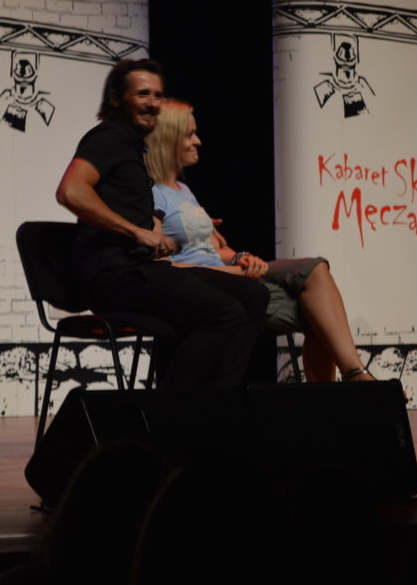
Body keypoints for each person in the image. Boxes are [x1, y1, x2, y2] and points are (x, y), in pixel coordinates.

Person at [56, 59, 269, 389]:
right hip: (116, 278)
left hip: (144, 271)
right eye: (142, 94)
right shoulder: (109, 137)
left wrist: (160, 231)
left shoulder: (133, 147)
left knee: (254, 295)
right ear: (116, 99)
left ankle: (222, 402)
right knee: (224, 312)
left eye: (158, 95)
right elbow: (70, 191)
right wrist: (136, 232)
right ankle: (167, 410)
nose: (153, 103)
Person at [144, 100, 373, 382]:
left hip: (229, 274)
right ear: (168, 140)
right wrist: (231, 272)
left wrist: (239, 257)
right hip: (207, 287)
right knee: (318, 316)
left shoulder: (183, 190)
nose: (198, 141)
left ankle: (351, 377)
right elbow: (160, 267)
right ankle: (353, 378)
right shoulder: (153, 194)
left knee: (316, 269)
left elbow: (213, 248)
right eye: (189, 135)